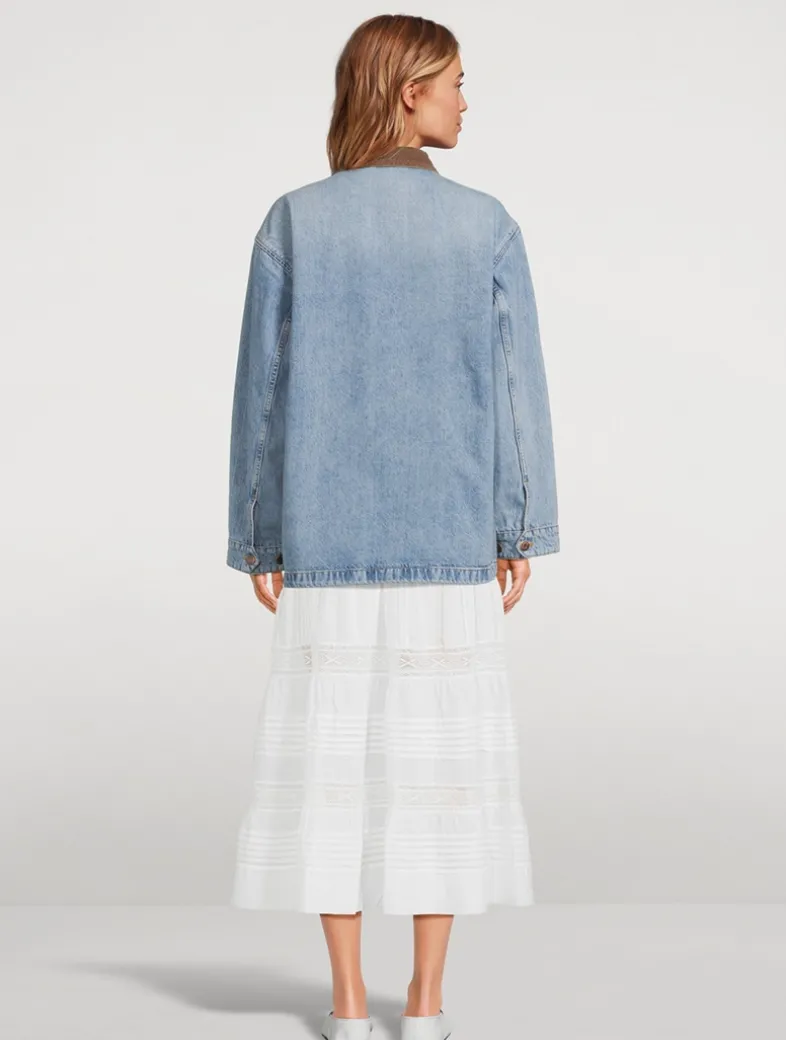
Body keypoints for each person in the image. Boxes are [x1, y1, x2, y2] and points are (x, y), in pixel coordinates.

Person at [226, 14, 559, 1040]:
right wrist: (517, 525)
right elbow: (517, 393)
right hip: (448, 542)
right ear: (409, 93)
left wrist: (260, 536)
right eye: (455, 81)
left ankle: (342, 1004)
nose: (466, 100)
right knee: (437, 777)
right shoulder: (485, 225)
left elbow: (262, 398)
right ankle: (423, 1004)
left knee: (331, 775)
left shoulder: (293, 221)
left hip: (325, 542)